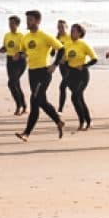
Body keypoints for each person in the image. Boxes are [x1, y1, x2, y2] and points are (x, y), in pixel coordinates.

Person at [15, 10, 65, 142]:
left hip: (44, 72)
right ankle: (58, 121)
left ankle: (26, 133)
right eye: (27, 20)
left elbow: (61, 49)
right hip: (31, 73)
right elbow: (23, 51)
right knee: (40, 101)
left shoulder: (45, 36)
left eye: (30, 20)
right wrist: (19, 55)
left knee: (34, 100)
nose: (28, 22)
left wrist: (54, 65)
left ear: (38, 21)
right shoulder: (25, 37)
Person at [63, 23, 98, 131]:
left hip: (82, 75)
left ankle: (82, 121)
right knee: (79, 99)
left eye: (74, 31)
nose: (71, 33)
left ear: (80, 33)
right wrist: (63, 62)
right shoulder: (67, 44)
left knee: (75, 97)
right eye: (71, 30)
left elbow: (94, 59)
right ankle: (88, 121)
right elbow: (65, 59)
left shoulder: (83, 44)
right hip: (72, 74)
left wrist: (84, 65)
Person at [0, 15, 27, 115]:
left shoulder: (21, 36)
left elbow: (26, 52)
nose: (10, 25)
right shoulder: (7, 35)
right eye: (9, 23)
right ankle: (24, 106)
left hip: (20, 63)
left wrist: (19, 55)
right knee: (15, 84)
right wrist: (1, 50)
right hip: (10, 62)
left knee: (11, 83)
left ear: (17, 24)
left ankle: (19, 105)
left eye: (12, 23)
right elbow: (6, 47)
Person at [56, 19, 73, 112]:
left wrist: (65, 58)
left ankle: (60, 109)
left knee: (63, 86)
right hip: (62, 66)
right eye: (59, 27)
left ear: (66, 27)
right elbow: (53, 51)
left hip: (69, 65)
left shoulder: (70, 37)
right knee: (68, 85)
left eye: (62, 27)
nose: (60, 29)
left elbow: (74, 50)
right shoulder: (57, 38)